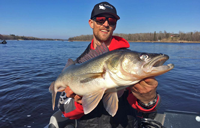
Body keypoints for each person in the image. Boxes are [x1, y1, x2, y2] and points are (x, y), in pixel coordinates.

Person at [53, 2, 160, 128]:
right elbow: (65, 110)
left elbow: (144, 109)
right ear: (91, 23)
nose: (106, 24)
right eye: (100, 19)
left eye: (112, 21)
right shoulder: (79, 63)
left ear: (115, 26)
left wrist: (148, 99)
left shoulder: (131, 64)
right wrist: (81, 102)